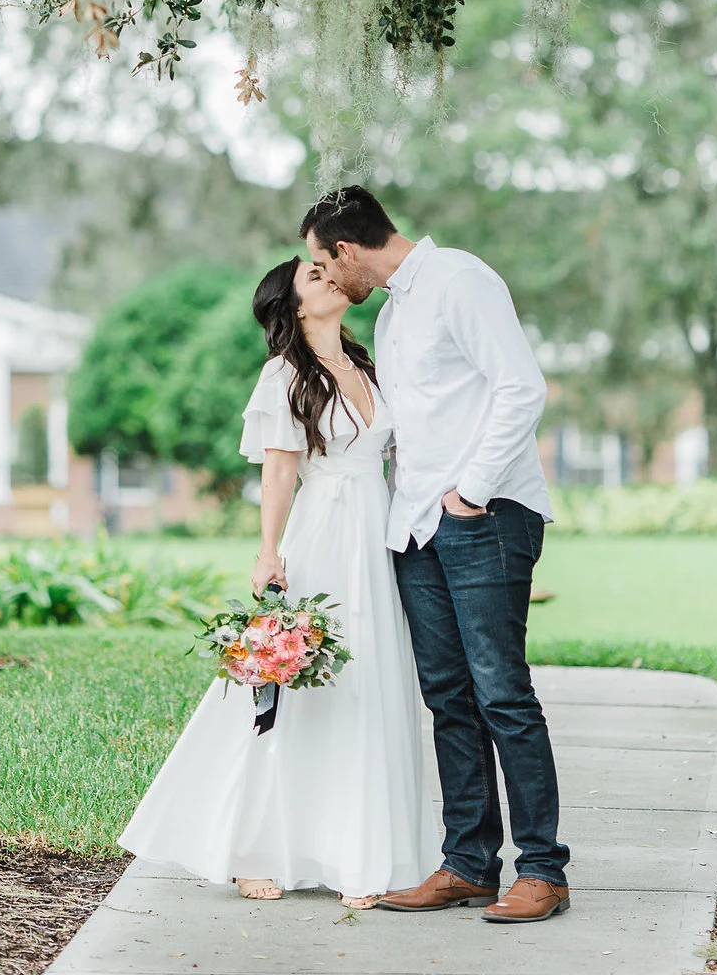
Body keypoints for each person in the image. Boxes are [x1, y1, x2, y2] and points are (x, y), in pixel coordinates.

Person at [118, 256, 440, 906]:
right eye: (314, 279)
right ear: (294, 308)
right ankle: (251, 847)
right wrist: (268, 552)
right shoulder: (285, 375)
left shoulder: (368, 365)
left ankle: (363, 854)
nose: (329, 280)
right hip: (323, 537)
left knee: (368, 686)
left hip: (378, 542)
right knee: (290, 686)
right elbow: (279, 471)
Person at [301, 187, 571, 926]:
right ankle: (467, 864)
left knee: (501, 693)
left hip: (485, 516)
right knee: (448, 698)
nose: (326, 275)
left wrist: (472, 491)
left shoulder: (460, 279)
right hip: (415, 527)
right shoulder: (390, 314)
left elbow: (522, 388)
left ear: (349, 250)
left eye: (325, 262)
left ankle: (543, 870)